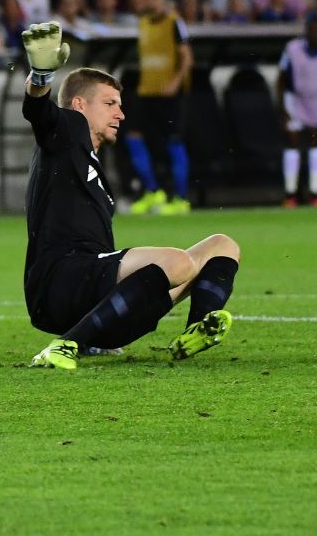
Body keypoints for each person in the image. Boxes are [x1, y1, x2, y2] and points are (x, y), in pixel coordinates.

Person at [20, 21, 241, 370]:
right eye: (110, 103)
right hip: (58, 285)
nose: (120, 114)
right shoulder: (66, 133)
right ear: (78, 105)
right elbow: (38, 112)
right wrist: (41, 77)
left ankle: (197, 328)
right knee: (178, 262)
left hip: (98, 303)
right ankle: (67, 344)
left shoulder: (87, 161)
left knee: (222, 245)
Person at [127, 0, 194, 215]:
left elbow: (187, 57)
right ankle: (153, 192)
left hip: (170, 95)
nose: (151, 1)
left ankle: (180, 199)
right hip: (147, 92)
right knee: (132, 136)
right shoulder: (142, 23)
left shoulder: (175, 22)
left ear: (163, 0)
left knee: (174, 142)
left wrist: (175, 81)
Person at [278, 13, 317, 207]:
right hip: (296, 100)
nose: (316, 33)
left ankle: (316, 194)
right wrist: (283, 108)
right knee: (292, 142)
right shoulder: (292, 49)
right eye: (313, 29)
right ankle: (290, 194)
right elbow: (281, 78)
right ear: (306, 31)